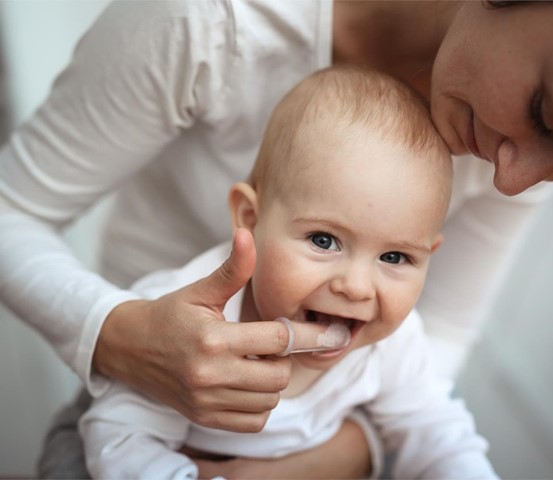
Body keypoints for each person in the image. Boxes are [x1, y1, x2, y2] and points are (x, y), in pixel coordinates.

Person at [0, 1, 553, 477]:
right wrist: (121, 336)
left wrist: (332, 458)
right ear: (245, 219)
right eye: (545, 115)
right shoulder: (210, 21)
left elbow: (434, 398)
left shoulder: (387, 345)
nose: (513, 180)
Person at [79, 65, 496, 480]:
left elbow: (439, 437)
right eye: (323, 240)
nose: (355, 287)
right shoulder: (181, 323)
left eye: (394, 258)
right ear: (250, 219)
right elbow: (119, 441)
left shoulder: (393, 345)